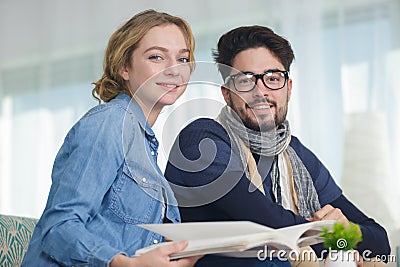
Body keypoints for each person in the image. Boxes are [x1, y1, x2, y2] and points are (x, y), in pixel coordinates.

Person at [164, 25, 391, 267]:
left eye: (273, 78)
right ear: (226, 94)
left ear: (289, 89)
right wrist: (335, 235)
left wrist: (346, 230)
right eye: (245, 81)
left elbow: (381, 242)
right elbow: (272, 226)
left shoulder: (296, 154)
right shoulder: (200, 140)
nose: (260, 91)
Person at [22, 9, 201, 267]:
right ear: (124, 68)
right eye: (156, 57)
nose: (174, 70)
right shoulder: (110, 122)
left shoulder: (144, 143)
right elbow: (59, 228)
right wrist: (126, 264)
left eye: (182, 59)